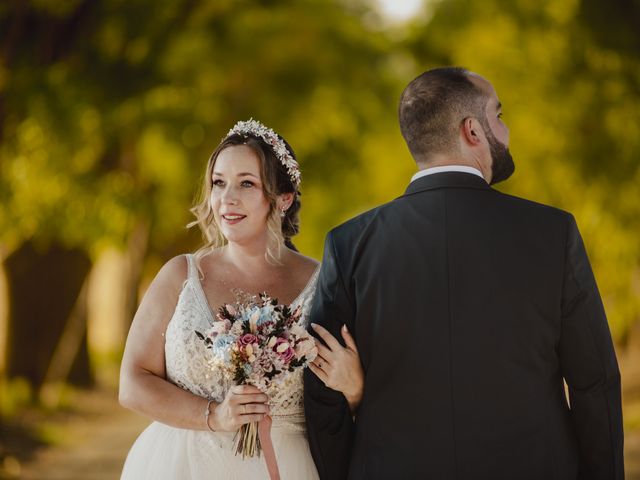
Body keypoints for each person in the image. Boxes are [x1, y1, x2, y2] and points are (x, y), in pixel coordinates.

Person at [304, 67, 624, 479]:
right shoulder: (552, 233)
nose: (505, 131)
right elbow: (594, 381)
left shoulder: (349, 244)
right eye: (499, 116)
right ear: (472, 130)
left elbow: (319, 387)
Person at [119, 119, 364, 479]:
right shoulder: (180, 275)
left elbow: (353, 395)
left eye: (246, 183)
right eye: (219, 183)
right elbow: (132, 384)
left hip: (288, 465)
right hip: (181, 466)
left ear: (283, 198)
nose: (226, 199)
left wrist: (357, 389)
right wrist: (214, 415)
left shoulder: (326, 282)